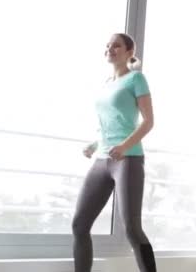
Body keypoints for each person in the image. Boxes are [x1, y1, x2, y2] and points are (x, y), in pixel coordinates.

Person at [72, 33, 156, 272]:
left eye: (116, 45)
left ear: (129, 52)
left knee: (132, 228)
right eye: (107, 45)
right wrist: (94, 144)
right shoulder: (106, 84)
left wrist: (125, 146)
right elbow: (109, 123)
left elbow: (148, 122)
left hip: (128, 159)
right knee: (80, 225)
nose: (110, 48)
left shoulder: (136, 79)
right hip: (102, 159)